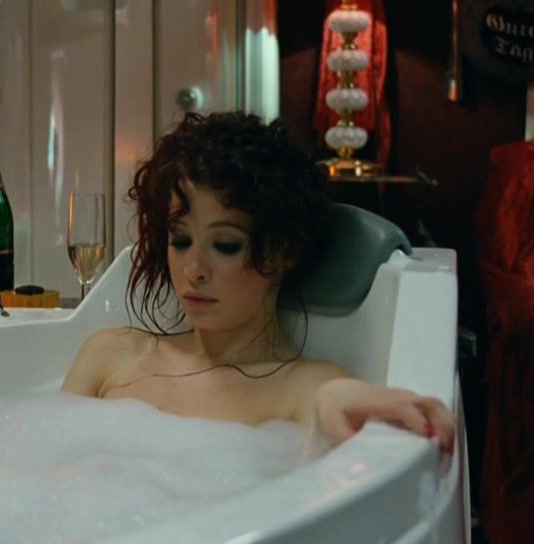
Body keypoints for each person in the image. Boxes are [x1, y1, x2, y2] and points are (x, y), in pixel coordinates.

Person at [61, 112, 455, 450]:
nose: (194, 269)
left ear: (281, 253)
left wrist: (348, 400)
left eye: (226, 245)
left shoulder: (302, 387)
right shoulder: (109, 355)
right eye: (180, 240)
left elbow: (329, 401)